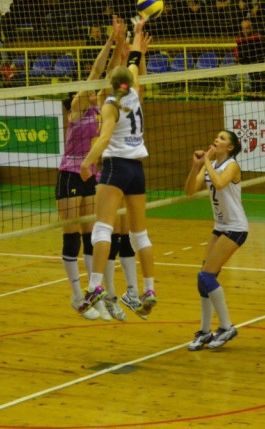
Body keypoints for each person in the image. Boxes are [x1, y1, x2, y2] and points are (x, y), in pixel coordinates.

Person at [78, 18, 156, 319]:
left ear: (112, 82)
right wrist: (137, 35)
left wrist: (87, 162)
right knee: (140, 234)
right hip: (137, 170)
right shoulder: (135, 94)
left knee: (103, 228)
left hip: (115, 167)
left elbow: (105, 138)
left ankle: (95, 286)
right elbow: (134, 63)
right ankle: (149, 290)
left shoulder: (111, 104)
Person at [57, 19, 129, 322]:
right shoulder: (76, 109)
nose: (93, 91)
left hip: (92, 176)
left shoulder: (101, 106)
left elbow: (110, 75)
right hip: (70, 173)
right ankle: (76, 296)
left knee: (90, 235)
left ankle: (92, 295)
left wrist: (120, 47)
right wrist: (109, 42)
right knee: (71, 235)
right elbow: (97, 73)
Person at [184, 131, 247, 350]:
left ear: (230, 147)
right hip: (220, 227)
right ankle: (204, 332)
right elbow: (189, 190)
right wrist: (196, 166)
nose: (216, 139)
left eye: (222, 138)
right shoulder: (210, 165)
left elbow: (219, 183)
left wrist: (206, 162)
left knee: (207, 276)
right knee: (203, 279)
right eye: (217, 137)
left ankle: (226, 327)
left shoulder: (232, 165)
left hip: (236, 227)